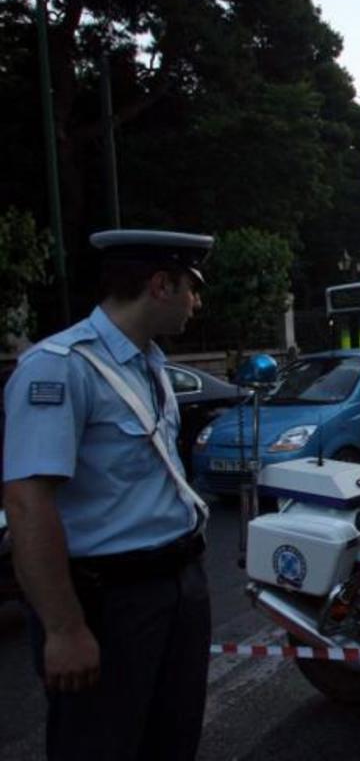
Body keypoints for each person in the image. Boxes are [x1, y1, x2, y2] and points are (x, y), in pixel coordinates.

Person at [3, 229, 214, 761]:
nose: (197, 302)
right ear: (161, 285)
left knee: (171, 740)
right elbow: (28, 501)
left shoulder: (151, 363)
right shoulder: (60, 366)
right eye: (192, 287)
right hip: (110, 600)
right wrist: (64, 628)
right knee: (100, 743)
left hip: (178, 585)